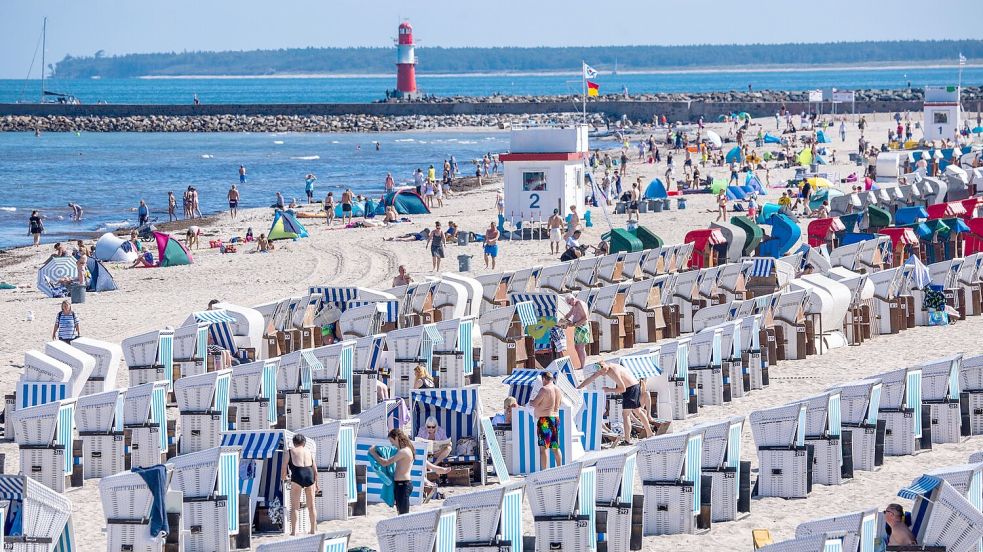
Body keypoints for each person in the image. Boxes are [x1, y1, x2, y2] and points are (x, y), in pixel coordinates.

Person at [579, 361, 653, 443]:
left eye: (602, 372)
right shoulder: (603, 368)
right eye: (599, 372)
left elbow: (622, 389)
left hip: (631, 388)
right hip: (633, 386)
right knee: (636, 411)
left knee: (626, 414)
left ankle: (628, 440)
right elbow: (591, 378)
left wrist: (609, 390)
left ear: (605, 368)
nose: (601, 374)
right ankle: (648, 433)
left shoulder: (613, 371)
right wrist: (578, 388)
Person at [369, 429, 415, 515]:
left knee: (403, 514)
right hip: (401, 484)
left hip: (403, 485)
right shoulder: (404, 449)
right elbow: (389, 452)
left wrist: (373, 453)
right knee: (400, 512)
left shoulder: (403, 451)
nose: (391, 444)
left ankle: (405, 528)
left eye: (391, 441)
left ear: (397, 438)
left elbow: (385, 463)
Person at [280, 433, 318, 535]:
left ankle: (294, 531)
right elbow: (315, 470)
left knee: (295, 507)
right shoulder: (309, 451)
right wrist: (316, 483)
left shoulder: (290, 451)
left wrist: (284, 477)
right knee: (311, 506)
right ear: (304, 442)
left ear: (294, 442)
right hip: (310, 476)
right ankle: (313, 530)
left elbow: (284, 468)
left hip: (297, 476)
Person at [529, 371, 563, 469]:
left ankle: (544, 471)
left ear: (544, 378)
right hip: (555, 419)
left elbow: (535, 403)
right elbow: (559, 403)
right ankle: (560, 468)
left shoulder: (544, 389)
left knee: (543, 449)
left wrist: (530, 401)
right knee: (555, 447)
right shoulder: (558, 389)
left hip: (545, 420)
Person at [560, 294, 591, 368]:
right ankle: (582, 365)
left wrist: (575, 324)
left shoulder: (579, 303)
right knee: (577, 347)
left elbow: (585, 318)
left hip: (582, 327)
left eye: (570, 303)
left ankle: (583, 365)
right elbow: (568, 314)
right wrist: (562, 321)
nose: (570, 305)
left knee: (580, 347)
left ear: (573, 299)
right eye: (569, 304)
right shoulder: (575, 305)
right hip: (578, 327)